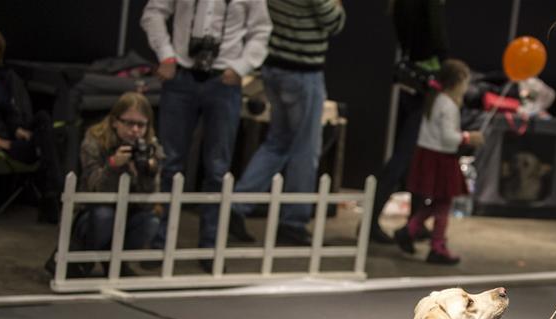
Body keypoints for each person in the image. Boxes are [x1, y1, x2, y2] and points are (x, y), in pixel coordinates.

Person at [140, 0, 272, 271]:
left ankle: (210, 246)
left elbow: (261, 29)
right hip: (181, 77)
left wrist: (242, 66)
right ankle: (159, 242)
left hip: (223, 82)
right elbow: (153, 13)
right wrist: (165, 54)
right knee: (170, 164)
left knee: (217, 169)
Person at [229, 0, 345, 247]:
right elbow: (334, 22)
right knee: (305, 149)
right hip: (302, 71)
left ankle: (237, 206)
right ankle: (293, 223)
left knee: (278, 142)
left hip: (274, 67)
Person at [49, 92, 164, 278]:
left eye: (141, 125)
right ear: (115, 121)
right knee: (105, 216)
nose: (135, 130)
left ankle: (117, 262)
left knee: (150, 222)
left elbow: (150, 202)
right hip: (92, 211)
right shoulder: (94, 140)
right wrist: (113, 166)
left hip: (130, 211)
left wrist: (146, 172)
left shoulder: (150, 147)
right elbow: (94, 187)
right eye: (129, 123)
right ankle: (80, 259)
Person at [368, 0, 451, 244]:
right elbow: (438, 42)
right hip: (428, 83)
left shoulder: (400, 5)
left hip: (412, 83)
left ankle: (414, 223)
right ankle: (370, 223)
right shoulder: (428, 5)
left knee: (415, 155)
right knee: (405, 156)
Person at [393, 59, 482, 264]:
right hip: (441, 158)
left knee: (440, 202)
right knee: (443, 203)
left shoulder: (435, 100)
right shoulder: (448, 105)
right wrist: (469, 137)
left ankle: (411, 230)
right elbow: (448, 137)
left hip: (429, 155)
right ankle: (437, 245)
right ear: (458, 82)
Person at [0, 25, 62, 222]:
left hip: (8, 136)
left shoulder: (3, 77)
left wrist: (17, 129)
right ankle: (53, 194)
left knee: (42, 119)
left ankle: (51, 191)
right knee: (43, 146)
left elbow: (10, 111)